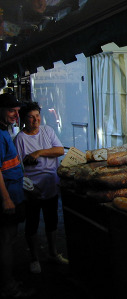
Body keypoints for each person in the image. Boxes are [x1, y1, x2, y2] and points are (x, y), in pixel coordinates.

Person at [13, 101, 67, 275]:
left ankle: (53, 252)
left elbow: (59, 150)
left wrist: (39, 152)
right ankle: (34, 258)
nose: (35, 120)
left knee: (51, 222)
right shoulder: (20, 139)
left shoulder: (47, 131)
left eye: (37, 116)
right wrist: (28, 188)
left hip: (51, 184)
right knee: (32, 224)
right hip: (32, 189)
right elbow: (18, 168)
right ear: (24, 119)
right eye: (31, 117)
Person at [0, 94, 36, 298]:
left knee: (9, 238)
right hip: (7, 196)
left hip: (14, 191)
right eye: (11, 110)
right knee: (6, 239)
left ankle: (8, 280)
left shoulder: (4, 130)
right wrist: (5, 198)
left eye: (17, 111)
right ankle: (8, 286)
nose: (16, 114)